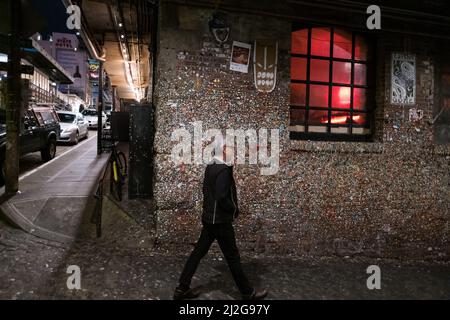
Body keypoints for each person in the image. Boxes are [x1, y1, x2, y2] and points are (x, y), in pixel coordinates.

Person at [173, 143, 268, 300]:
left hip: (209, 219)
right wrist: (233, 210)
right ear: (223, 151)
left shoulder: (211, 165)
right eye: (229, 147)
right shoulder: (223, 169)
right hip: (220, 221)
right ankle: (248, 292)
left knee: (197, 253)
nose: (232, 149)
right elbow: (222, 196)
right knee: (232, 257)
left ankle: (181, 289)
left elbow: (206, 190)